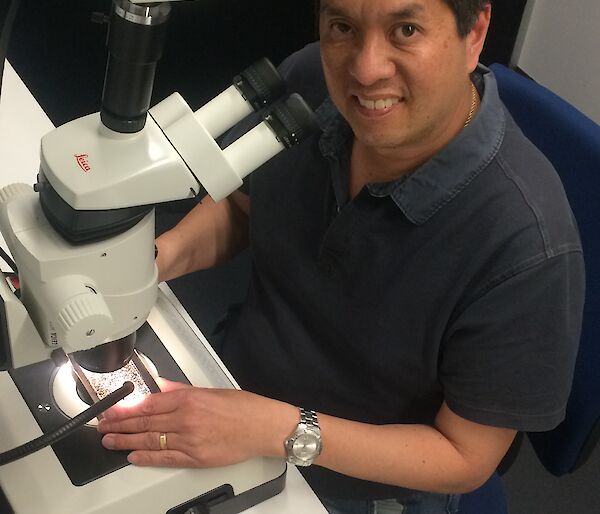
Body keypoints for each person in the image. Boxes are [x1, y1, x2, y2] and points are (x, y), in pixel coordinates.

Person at [97, 1, 585, 513]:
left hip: (358, 478)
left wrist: (276, 428)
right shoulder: (312, 80)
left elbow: (465, 457)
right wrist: (152, 260)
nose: (365, 69)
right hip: (231, 385)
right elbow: (243, 208)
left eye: (406, 29)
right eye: (344, 28)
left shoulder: (527, 246)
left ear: (476, 32)